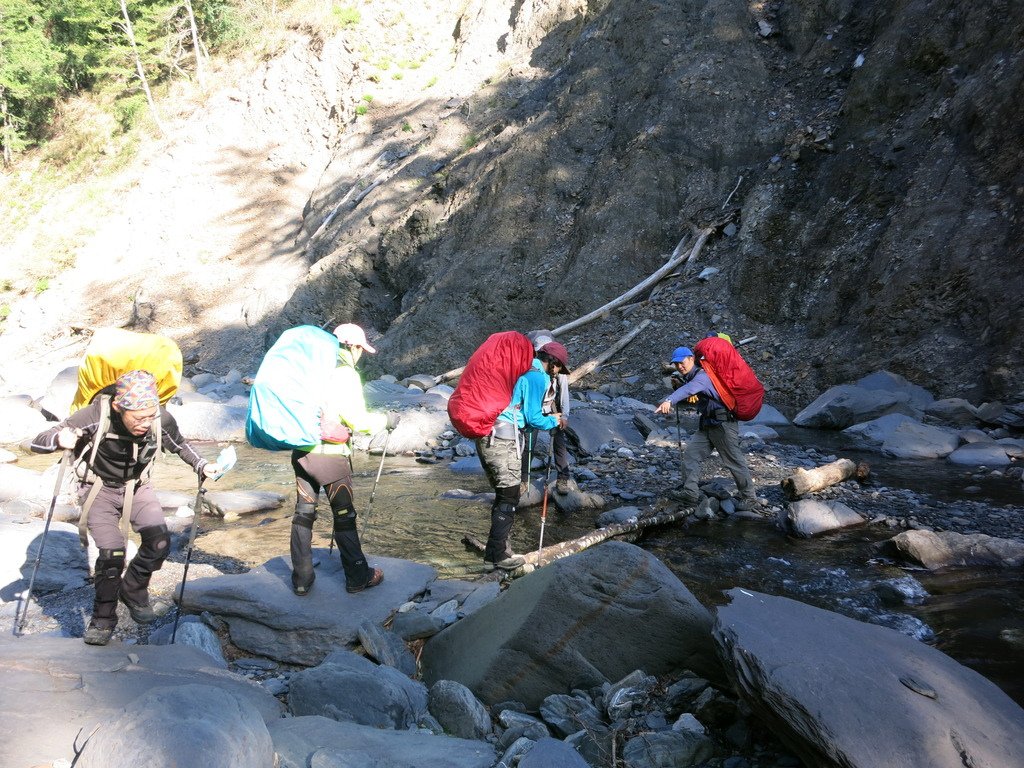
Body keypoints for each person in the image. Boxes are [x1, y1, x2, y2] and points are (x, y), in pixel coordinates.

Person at [31, 369, 222, 646]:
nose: (146, 423)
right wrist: (59, 440)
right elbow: (39, 440)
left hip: (138, 486)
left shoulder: (159, 419)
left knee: (158, 542)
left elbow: (180, 445)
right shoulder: (94, 416)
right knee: (112, 555)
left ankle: (133, 590)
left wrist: (203, 465)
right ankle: (103, 619)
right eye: (139, 418)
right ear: (119, 407)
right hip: (98, 489)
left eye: (150, 415)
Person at [289, 323, 399, 597]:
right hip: (330, 457)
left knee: (304, 513)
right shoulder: (345, 374)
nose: (361, 354)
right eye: (361, 348)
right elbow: (358, 421)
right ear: (352, 347)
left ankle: (301, 579)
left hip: (301, 453)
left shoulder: (310, 368)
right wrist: (386, 419)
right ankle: (357, 577)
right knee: (344, 517)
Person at [477, 340, 568, 570]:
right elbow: (534, 417)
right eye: (558, 369)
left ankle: (493, 555)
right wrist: (554, 420)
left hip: (486, 434)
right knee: (508, 497)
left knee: (503, 495)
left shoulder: (521, 370)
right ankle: (499, 557)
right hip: (503, 438)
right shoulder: (538, 376)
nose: (557, 374)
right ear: (553, 362)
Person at [654, 346, 757, 510]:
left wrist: (669, 400)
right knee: (691, 455)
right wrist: (678, 393)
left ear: (691, 359)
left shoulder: (703, 376)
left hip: (723, 424)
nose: (679, 366)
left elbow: (689, 389)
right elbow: (692, 395)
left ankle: (749, 497)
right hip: (707, 424)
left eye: (682, 362)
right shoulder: (691, 377)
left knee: (734, 461)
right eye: (676, 364)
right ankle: (690, 492)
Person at [522, 331, 573, 495]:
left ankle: (563, 478)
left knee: (559, 441)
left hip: (551, 406)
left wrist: (564, 415)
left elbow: (563, 391)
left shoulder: (557, 365)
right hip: (534, 407)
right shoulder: (532, 366)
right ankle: (523, 480)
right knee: (528, 444)